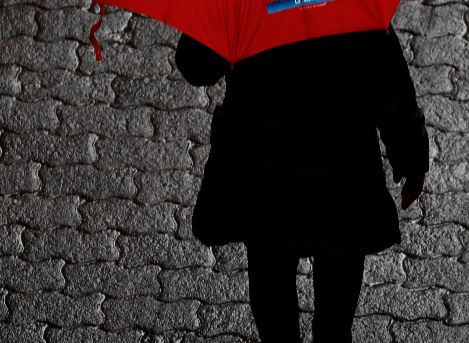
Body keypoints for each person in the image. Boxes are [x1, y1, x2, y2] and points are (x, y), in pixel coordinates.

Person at [175, 24, 428, 343]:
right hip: (342, 177)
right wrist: (413, 161)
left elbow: (195, 65)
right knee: (337, 291)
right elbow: (392, 94)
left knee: (270, 279)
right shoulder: (354, 5)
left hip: (263, 178)